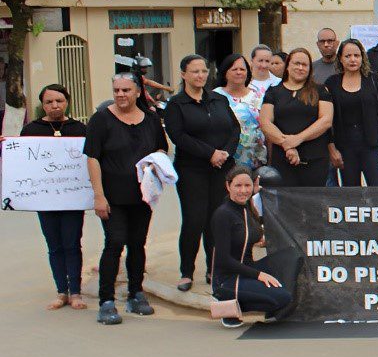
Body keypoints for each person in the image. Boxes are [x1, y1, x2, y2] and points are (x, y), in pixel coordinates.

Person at [85, 74, 169, 325]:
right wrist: (99, 196)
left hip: (142, 196)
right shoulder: (101, 119)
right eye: (116, 90)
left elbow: (162, 149)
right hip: (112, 197)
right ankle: (106, 301)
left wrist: (155, 166)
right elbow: (92, 158)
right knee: (114, 242)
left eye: (126, 90)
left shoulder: (151, 120)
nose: (120, 94)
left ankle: (136, 293)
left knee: (137, 243)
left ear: (137, 92)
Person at [164, 54, 239, 291]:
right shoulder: (177, 105)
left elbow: (234, 128)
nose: (200, 76)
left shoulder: (218, 99)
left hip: (221, 168)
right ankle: (187, 272)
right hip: (192, 170)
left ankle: (214, 268)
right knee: (194, 220)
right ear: (184, 74)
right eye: (195, 71)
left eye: (203, 71)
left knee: (216, 220)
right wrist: (210, 154)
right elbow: (179, 137)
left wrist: (225, 153)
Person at [22, 84, 89, 311]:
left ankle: (76, 292)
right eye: (49, 102)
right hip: (45, 199)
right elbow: (22, 162)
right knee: (54, 246)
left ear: (67, 101)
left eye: (59, 101)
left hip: (72, 198)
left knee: (72, 244)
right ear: (43, 104)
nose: (54, 105)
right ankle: (61, 291)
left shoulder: (79, 129)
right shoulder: (31, 130)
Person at [209, 166, 292, 328]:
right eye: (238, 186)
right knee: (283, 298)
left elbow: (250, 234)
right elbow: (223, 260)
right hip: (227, 278)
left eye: (247, 186)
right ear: (228, 186)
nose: (243, 191)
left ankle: (268, 299)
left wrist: (260, 239)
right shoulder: (223, 214)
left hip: (246, 269)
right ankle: (228, 304)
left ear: (253, 186)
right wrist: (259, 275)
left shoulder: (248, 208)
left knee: (290, 256)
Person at [324, 38, 378, 187]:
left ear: (362, 57)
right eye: (348, 56)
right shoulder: (331, 83)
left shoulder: (374, 80)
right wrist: (332, 149)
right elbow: (325, 120)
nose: (352, 60)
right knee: (351, 196)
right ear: (340, 59)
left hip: (373, 147)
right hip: (345, 149)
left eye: (356, 55)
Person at [260, 49, 335, 187]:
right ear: (288, 65)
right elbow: (265, 122)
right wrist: (287, 145)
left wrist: (298, 139)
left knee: (312, 204)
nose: (300, 68)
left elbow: (326, 120)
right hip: (283, 158)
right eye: (296, 63)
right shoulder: (273, 92)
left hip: (315, 159)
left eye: (305, 65)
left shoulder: (321, 90)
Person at [214, 54, 267, 170]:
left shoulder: (258, 96)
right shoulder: (215, 96)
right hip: (225, 158)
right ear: (225, 72)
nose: (239, 72)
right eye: (234, 69)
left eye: (242, 69)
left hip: (256, 158)